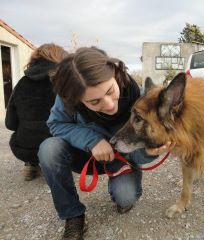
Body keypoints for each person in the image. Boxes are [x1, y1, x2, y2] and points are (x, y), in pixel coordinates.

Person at [38, 47, 172, 240]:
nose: (109, 104)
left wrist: (149, 153)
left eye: (110, 91)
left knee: (126, 197)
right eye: (94, 101)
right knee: (49, 149)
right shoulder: (68, 94)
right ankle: (73, 216)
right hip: (84, 156)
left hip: (120, 158)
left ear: (116, 73)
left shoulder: (136, 96)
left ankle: (121, 185)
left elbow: (137, 153)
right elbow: (56, 124)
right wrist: (92, 141)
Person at [5, 43, 67, 181]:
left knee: (24, 132)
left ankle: (31, 163)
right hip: (59, 145)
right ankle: (57, 165)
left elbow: (10, 123)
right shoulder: (64, 82)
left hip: (25, 148)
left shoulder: (21, 83)